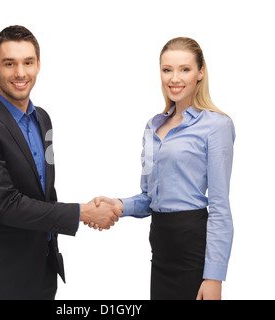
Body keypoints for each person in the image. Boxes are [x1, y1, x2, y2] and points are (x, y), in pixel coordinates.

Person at [0, 25, 122, 300]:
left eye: (28, 63)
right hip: (0, 277)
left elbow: (44, 192)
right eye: (9, 63)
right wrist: (82, 213)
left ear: (38, 65)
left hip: (43, 269)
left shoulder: (42, 119)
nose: (20, 73)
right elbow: (6, 205)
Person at [92, 37, 235, 300]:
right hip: (160, 247)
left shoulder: (217, 126)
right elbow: (149, 198)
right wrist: (118, 205)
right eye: (167, 69)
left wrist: (214, 276)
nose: (174, 78)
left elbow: (219, 206)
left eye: (185, 69)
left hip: (192, 249)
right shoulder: (153, 127)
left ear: (200, 73)